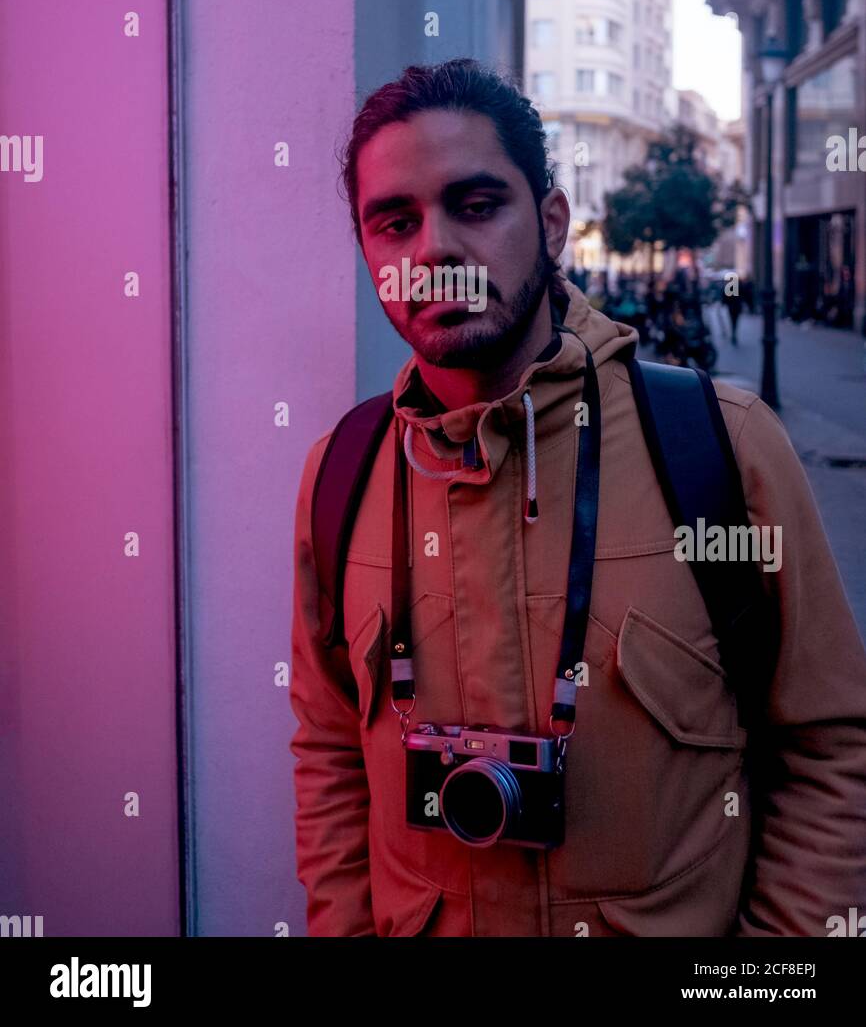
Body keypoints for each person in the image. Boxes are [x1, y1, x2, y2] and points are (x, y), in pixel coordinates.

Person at [289, 57, 866, 938]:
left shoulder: (724, 450)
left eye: (477, 207)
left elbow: (828, 752)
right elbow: (330, 753)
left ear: (552, 223)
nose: (434, 249)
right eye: (394, 221)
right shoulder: (343, 475)